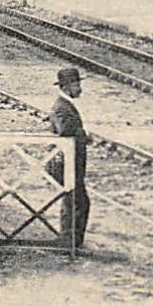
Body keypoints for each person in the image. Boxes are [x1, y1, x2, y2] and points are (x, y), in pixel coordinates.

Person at [48, 66, 90, 246]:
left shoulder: (65, 105)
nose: (79, 88)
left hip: (72, 161)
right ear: (66, 87)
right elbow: (66, 130)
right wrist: (83, 135)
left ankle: (72, 241)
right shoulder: (61, 107)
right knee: (75, 201)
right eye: (76, 84)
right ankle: (69, 241)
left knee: (76, 201)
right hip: (66, 163)